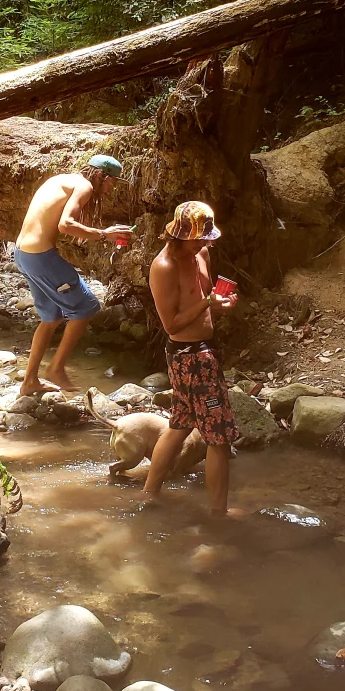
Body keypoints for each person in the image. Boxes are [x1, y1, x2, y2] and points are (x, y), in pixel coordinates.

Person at [145, 200, 239, 515]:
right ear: (181, 236)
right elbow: (171, 324)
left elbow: (203, 296)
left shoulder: (202, 253)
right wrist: (206, 303)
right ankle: (219, 515)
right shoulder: (164, 266)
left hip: (205, 351)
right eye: (200, 237)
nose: (206, 243)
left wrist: (219, 303)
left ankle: (149, 494)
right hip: (190, 357)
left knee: (180, 424)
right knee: (219, 437)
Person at [13, 154, 132, 394]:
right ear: (100, 175)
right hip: (41, 258)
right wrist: (104, 234)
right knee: (86, 306)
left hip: (23, 254)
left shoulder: (62, 180)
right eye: (112, 183)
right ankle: (56, 368)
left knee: (51, 318)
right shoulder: (84, 186)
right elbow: (65, 224)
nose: (110, 190)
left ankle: (29, 382)